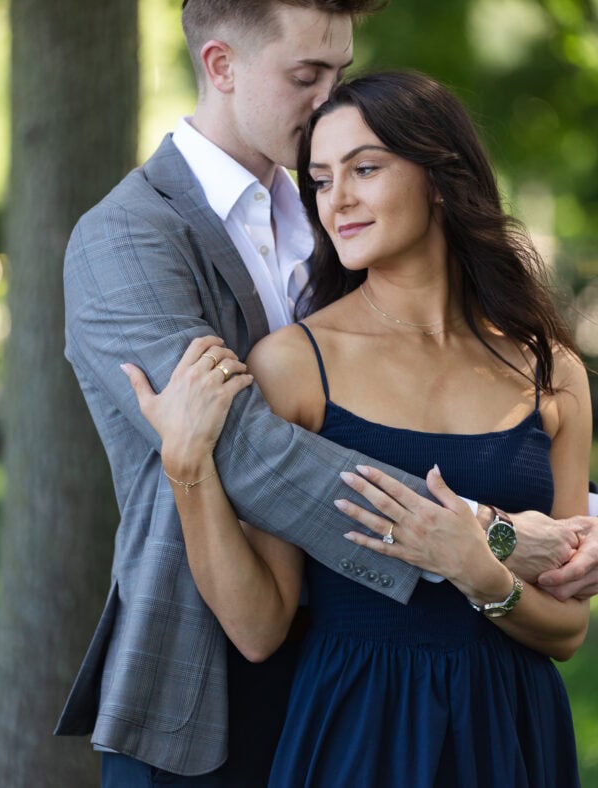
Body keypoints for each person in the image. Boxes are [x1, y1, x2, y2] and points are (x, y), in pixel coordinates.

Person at [57, 0, 489, 787]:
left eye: (342, 73)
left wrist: (562, 508)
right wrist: (480, 532)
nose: (332, 101)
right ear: (220, 66)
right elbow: (243, 448)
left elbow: (422, 392)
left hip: (356, 683)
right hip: (200, 689)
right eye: (307, 77)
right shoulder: (125, 238)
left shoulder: (338, 217)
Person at [124, 70, 593, 787]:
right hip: (356, 730)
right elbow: (258, 628)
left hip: (514, 730)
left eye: (364, 169)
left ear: (439, 176)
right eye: (318, 178)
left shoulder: (551, 371)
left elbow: (567, 632)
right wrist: (187, 467)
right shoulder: (293, 366)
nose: (335, 199)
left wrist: (477, 568)